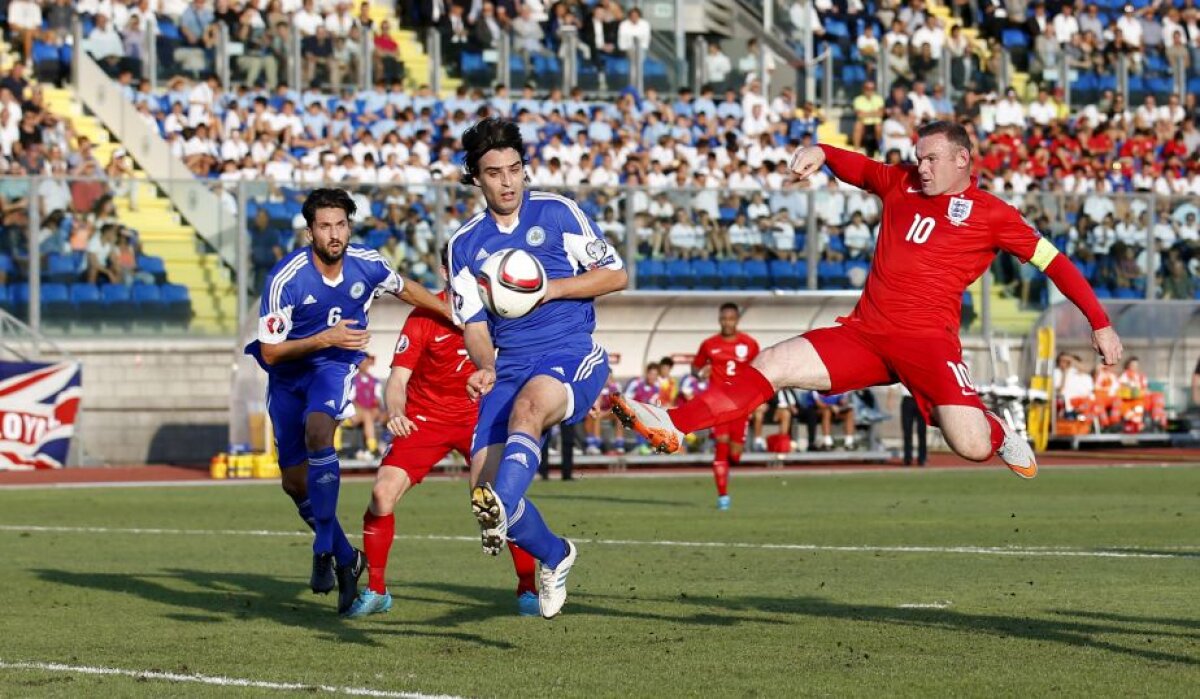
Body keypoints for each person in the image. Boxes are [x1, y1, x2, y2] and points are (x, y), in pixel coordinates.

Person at [613, 121, 1123, 479]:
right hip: (865, 335)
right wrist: (821, 151)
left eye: (931, 158)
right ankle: (673, 423)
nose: (920, 166)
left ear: (962, 159)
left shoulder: (993, 214)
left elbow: (1055, 262)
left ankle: (995, 427)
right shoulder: (899, 181)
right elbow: (853, 164)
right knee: (771, 363)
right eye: (918, 157)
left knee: (968, 445)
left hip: (929, 345)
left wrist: (1098, 322)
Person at [447, 118, 628, 619]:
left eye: (514, 170)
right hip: (508, 366)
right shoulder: (464, 244)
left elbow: (616, 274)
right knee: (482, 491)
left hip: (570, 350)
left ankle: (501, 509)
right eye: (494, 173)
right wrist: (484, 366)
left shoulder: (559, 213)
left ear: (525, 169)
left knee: (528, 412)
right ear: (475, 178)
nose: (507, 182)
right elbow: (475, 324)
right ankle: (554, 553)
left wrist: (551, 288)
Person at [246, 188, 446, 616]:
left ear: (349, 227)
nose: (333, 234)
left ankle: (322, 548)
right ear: (310, 233)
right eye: (324, 226)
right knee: (293, 484)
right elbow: (270, 353)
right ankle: (345, 557)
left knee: (320, 431)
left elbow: (406, 288)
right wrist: (324, 337)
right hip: (287, 376)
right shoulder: (286, 279)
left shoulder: (368, 263)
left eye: (340, 225)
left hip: (334, 367)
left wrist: (453, 316)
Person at [345, 253, 539, 618]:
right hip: (425, 418)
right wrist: (396, 411)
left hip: (480, 417)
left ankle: (528, 589)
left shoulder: (502, 311)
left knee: (496, 502)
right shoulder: (423, 316)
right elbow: (398, 380)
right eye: (457, 267)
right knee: (381, 493)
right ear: (445, 272)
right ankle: (376, 591)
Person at [690, 303, 760, 510]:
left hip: (741, 403)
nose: (727, 322)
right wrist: (699, 373)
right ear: (719, 320)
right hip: (718, 403)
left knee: (735, 454)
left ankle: (730, 463)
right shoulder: (709, 344)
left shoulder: (749, 344)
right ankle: (723, 496)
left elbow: (760, 371)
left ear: (737, 320)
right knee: (721, 445)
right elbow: (695, 366)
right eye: (724, 319)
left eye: (731, 319)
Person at [347, 354, 382, 460]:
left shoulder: (375, 381)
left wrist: (375, 404)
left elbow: (378, 399)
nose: (365, 364)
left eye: (367, 362)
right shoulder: (352, 380)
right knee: (367, 415)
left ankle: (373, 448)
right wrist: (362, 409)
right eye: (362, 362)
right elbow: (351, 400)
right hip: (357, 412)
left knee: (373, 414)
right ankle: (372, 448)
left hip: (371, 411)